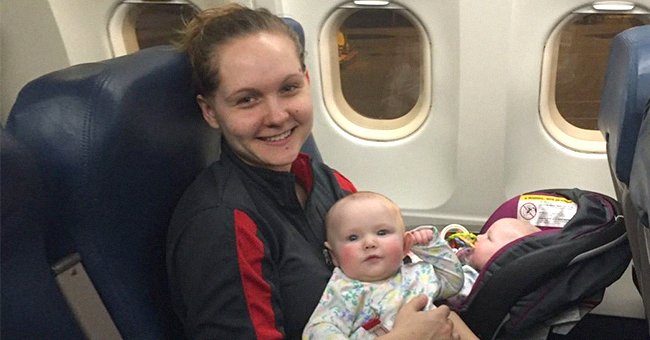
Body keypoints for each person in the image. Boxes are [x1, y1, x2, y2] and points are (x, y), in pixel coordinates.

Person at [166, 4, 463, 339]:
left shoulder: (327, 182)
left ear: (306, 82)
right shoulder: (221, 227)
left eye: (289, 88)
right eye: (247, 99)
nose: (277, 115)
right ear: (211, 111)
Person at [303, 191, 478, 339]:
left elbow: (453, 282)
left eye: (382, 232)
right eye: (353, 238)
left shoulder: (417, 275)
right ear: (334, 255)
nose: (369, 243)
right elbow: (317, 330)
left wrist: (429, 246)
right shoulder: (342, 291)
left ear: (404, 244)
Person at [447, 218, 541, 304]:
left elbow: (445, 285)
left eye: (488, 237)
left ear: (503, 258)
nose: (478, 237)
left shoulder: (477, 285)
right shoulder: (472, 259)